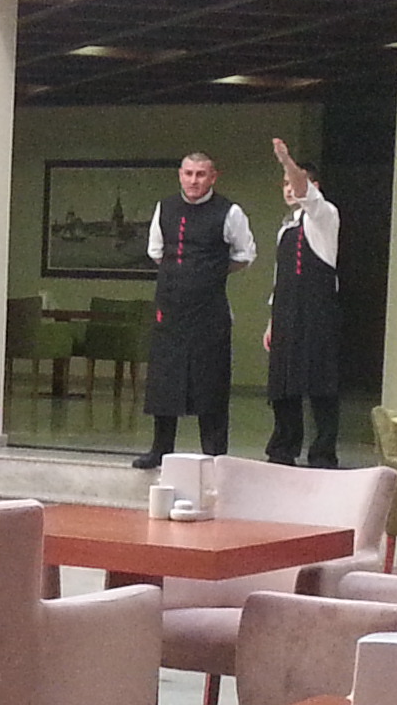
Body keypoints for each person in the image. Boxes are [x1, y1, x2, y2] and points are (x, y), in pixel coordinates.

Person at [134, 151, 254, 470]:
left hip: (209, 311)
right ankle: (160, 450)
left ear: (213, 177)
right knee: (164, 380)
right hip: (169, 310)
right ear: (180, 175)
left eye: (201, 174)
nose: (194, 180)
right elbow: (156, 252)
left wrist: (207, 273)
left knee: (210, 381)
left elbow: (245, 255)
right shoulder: (165, 207)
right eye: (188, 173)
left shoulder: (230, 212)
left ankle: (214, 455)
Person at [263, 136, 340, 467]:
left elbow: (306, 193)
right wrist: (272, 320)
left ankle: (323, 452)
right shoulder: (285, 229)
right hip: (286, 313)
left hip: (317, 311)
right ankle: (283, 447)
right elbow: (279, 277)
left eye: (293, 182)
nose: (289, 188)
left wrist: (286, 160)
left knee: (320, 383)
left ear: (314, 187)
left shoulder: (324, 217)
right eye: (284, 183)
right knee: (283, 384)